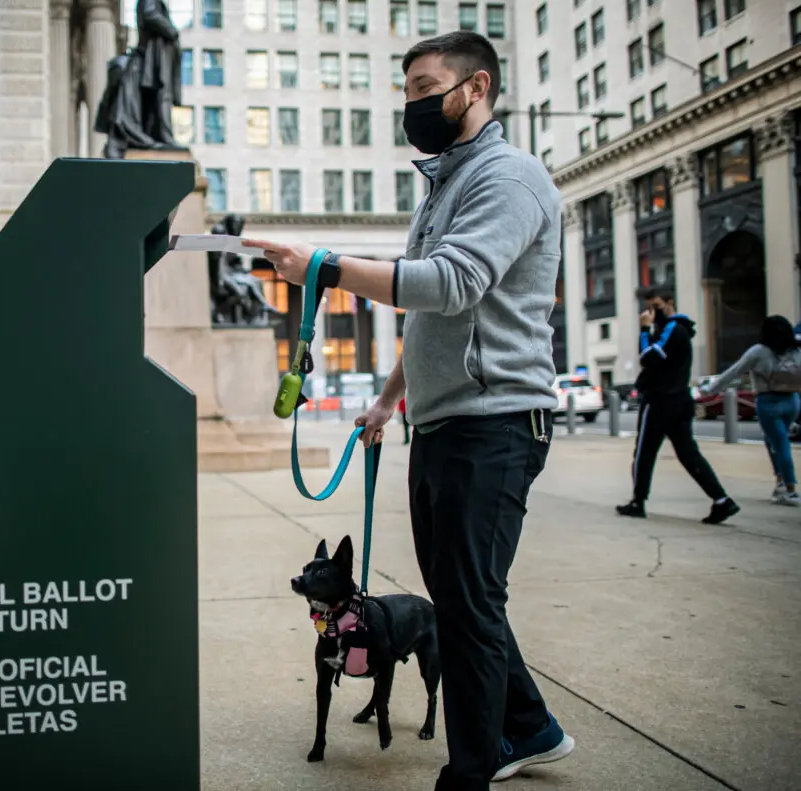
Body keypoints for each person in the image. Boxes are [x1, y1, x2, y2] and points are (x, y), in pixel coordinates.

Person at [244, 30, 572, 791]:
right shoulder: (448, 186)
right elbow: (434, 317)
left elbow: (451, 283)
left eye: (427, 87)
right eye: (408, 91)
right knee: (463, 599)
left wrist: (325, 265)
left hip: (496, 423)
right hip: (443, 423)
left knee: (467, 607)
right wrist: (389, 399)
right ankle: (532, 727)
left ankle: (472, 768)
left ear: (477, 88)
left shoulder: (509, 178)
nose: (414, 103)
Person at [616, 286, 739, 523]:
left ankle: (637, 501)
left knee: (645, 452)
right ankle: (722, 500)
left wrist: (643, 330)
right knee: (687, 453)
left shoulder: (673, 329)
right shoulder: (675, 330)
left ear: (670, 303)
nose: (652, 312)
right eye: (649, 308)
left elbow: (648, 358)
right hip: (679, 399)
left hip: (662, 400)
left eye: (657, 307)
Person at [700, 315, 801, 506]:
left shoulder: (759, 352)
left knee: (781, 444)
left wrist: (709, 389)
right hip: (792, 401)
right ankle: (780, 482)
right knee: (773, 440)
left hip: (769, 402)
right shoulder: (795, 349)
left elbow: (734, 371)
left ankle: (791, 489)